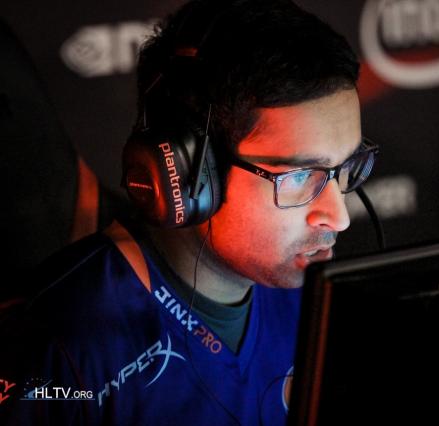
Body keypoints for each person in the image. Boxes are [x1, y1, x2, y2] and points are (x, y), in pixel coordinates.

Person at [0, 0, 378, 424]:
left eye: (347, 167)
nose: (339, 216)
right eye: (299, 175)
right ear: (188, 174)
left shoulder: (318, 303)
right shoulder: (62, 345)